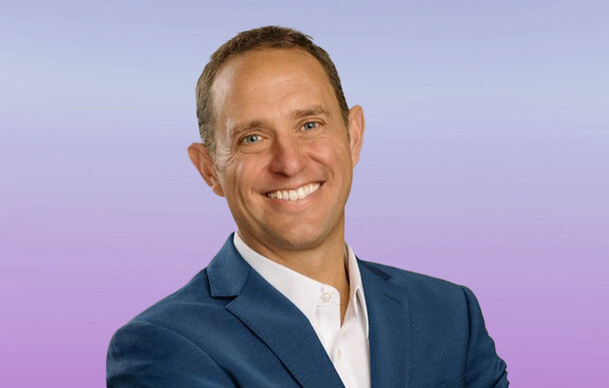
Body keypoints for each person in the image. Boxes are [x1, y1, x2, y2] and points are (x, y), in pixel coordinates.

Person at [106, 26, 508, 388]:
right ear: (209, 169)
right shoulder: (164, 345)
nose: (290, 163)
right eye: (252, 138)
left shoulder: (450, 314)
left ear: (353, 136)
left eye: (309, 125)